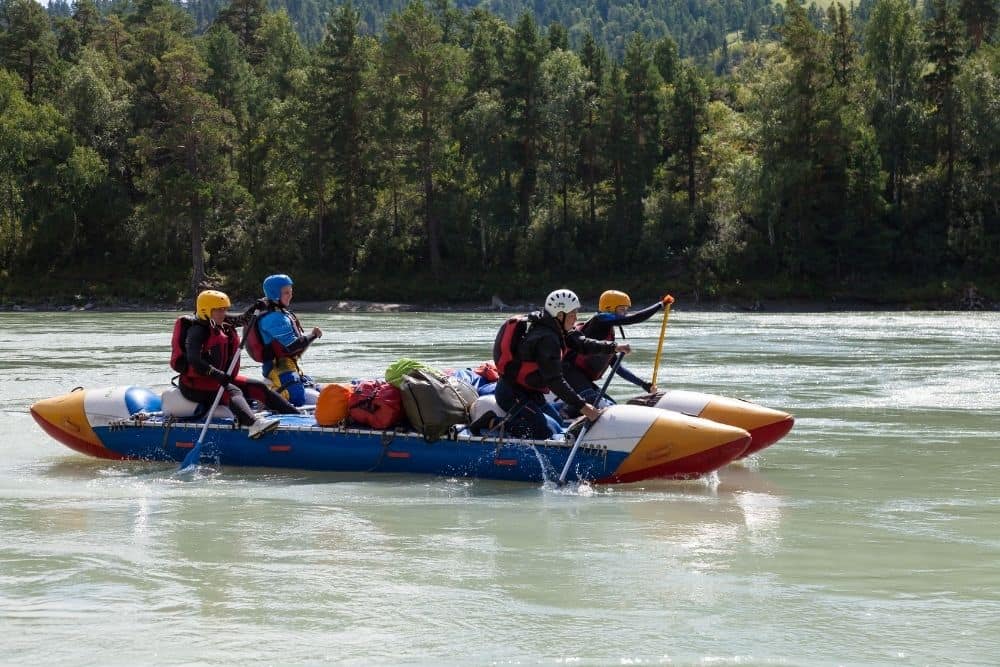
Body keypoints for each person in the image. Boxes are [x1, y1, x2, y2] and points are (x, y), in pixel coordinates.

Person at [492, 289, 631, 439]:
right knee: (543, 432)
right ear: (560, 315)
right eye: (572, 315)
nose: (576, 318)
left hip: (531, 393)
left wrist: (613, 347)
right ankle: (492, 423)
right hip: (512, 394)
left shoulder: (556, 327)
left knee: (558, 423)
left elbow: (582, 343)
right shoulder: (546, 339)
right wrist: (584, 407)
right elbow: (555, 381)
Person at [179, 290, 299, 439]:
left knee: (259, 387)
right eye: (219, 310)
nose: (223, 313)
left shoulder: (218, 320)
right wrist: (216, 374)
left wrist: (256, 307)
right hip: (194, 385)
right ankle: (254, 425)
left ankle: (297, 415)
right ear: (206, 310)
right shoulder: (196, 331)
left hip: (218, 379)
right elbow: (194, 360)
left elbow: (242, 320)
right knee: (233, 391)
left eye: (225, 309)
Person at [560, 290, 674, 417]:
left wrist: (643, 384)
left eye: (626, 309)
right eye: (622, 309)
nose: (625, 313)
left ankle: (568, 412)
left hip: (583, 379)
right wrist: (660, 305)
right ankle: (564, 415)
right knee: (595, 403)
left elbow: (617, 368)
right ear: (609, 308)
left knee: (613, 407)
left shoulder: (608, 337)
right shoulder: (600, 320)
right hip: (569, 372)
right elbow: (633, 318)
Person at [255, 274, 323, 406]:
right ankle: (268, 393)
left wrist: (311, 337)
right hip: (277, 369)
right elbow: (292, 347)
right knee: (298, 398)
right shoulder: (273, 318)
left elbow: (296, 351)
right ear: (274, 294)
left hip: (289, 367)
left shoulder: (282, 314)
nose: (290, 295)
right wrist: (313, 335)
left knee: (317, 389)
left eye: (291, 292)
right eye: (286, 292)